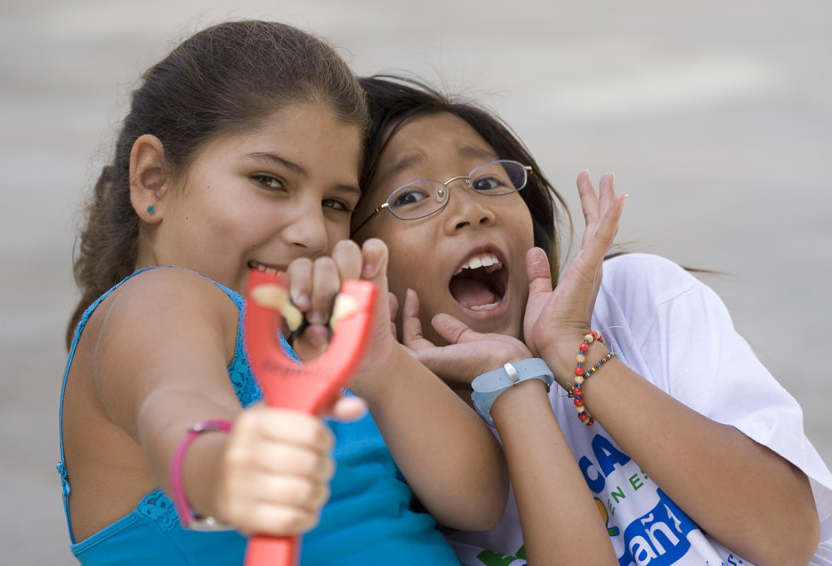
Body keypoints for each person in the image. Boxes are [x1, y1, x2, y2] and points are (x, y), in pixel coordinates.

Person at [57, 24, 507, 566]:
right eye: (270, 181)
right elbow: (176, 402)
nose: (311, 232)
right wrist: (227, 463)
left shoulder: (317, 348)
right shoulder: (158, 301)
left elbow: (479, 502)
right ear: (153, 180)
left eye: (335, 204)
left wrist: (381, 363)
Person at [351, 74, 832, 566]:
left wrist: (570, 348)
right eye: (411, 197)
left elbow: (785, 535)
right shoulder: (382, 434)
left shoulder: (631, 299)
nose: (470, 210)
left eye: (487, 181)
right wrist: (510, 380)